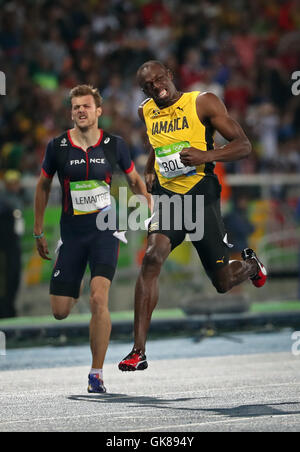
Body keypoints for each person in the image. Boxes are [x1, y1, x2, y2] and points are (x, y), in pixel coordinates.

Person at [119, 60, 267, 371]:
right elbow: (158, 145)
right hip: (169, 200)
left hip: (201, 195)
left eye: (159, 80)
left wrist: (206, 155)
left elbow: (244, 145)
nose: (155, 87)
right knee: (151, 257)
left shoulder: (203, 102)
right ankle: (138, 351)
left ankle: (251, 265)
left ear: (170, 76)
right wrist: (149, 168)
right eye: (147, 86)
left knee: (223, 282)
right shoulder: (146, 110)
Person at [34, 84, 150, 393]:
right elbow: (43, 187)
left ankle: (96, 373)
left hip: (105, 231)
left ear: (98, 111)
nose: (80, 111)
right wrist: (38, 230)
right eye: (75, 107)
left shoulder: (115, 145)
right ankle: (77, 279)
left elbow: (135, 180)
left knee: (100, 298)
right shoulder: (57, 147)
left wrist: (151, 212)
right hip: (72, 236)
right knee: (60, 311)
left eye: (86, 106)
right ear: (70, 112)